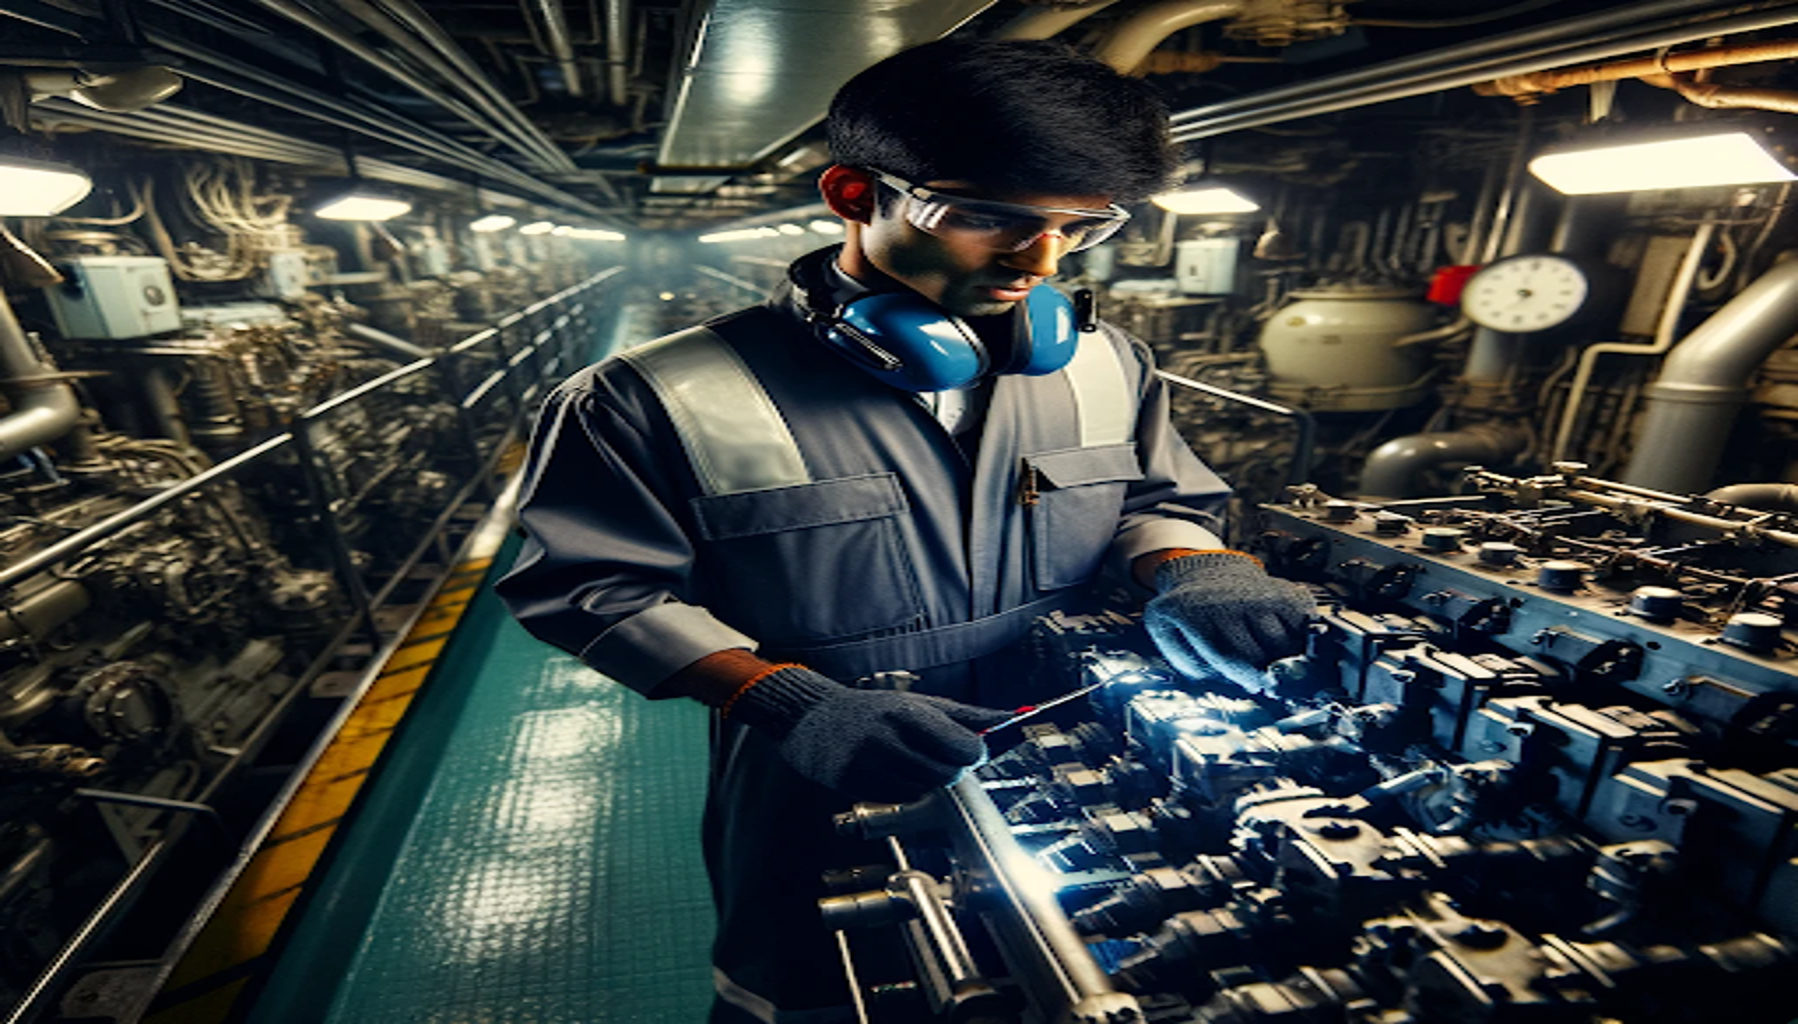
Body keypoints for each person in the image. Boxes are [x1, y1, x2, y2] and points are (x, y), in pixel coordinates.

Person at [496, 37, 1313, 1024]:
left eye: (1082, 228)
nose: (1038, 261)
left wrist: (1196, 564)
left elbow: (1149, 500)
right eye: (986, 218)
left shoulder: (1108, 363)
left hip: (1072, 736)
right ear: (851, 193)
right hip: (818, 764)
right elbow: (589, 589)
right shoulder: (654, 395)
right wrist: (795, 705)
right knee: (814, 991)